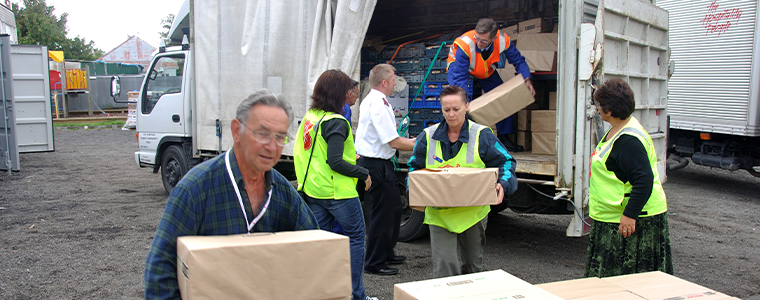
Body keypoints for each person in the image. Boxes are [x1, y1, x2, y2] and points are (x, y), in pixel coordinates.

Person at [144, 90, 319, 299]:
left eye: (280, 137)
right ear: (236, 131)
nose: (272, 147)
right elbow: (160, 274)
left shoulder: (283, 192)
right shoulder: (194, 190)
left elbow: (314, 247)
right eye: (262, 133)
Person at [408, 86, 518, 278]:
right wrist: (414, 189)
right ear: (441, 109)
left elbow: (506, 162)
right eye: (446, 110)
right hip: (439, 214)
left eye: (456, 109)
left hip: (472, 214)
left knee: (473, 269)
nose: (451, 115)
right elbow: (414, 168)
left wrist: (503, 183)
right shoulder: (427, 137)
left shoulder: (481, 135)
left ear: (467, 106)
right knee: (445, 268)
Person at [294, 70, 375, 300]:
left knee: (321, 245)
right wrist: (363, 173)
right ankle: (355, 295)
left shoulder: (312, 117)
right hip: (338, 193)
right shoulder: (337, 122)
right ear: (339, 93)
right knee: (356, 238)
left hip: (314, 190)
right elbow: (336, 161)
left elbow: (313, 154)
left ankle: (322, 292)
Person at [584, 78, 673, 278]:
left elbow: (644, 180)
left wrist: (630, 215)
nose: (597, 108)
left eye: (599, 105)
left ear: (609, 111)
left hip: (632, 219)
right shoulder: (619, 130)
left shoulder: (628, 141)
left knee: (628, 281)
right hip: (611, 215)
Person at [355, 63, 416, 276]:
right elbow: (393, 142)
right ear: (384, 82)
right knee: (381, 215)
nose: (395, 82)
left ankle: (386, 252)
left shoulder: (378, 100)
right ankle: (374, 262)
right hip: (375, 165)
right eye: (393, 79)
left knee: (394, 210)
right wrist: (421, 143)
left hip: (382, 164)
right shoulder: (377, 104)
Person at [447, 18, 536, 149]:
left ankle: (504, 138)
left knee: (503, 97)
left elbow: (518, 60)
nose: (478, 43)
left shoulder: (502, 40)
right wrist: (463, 101)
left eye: (483, 41)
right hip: (459, 66)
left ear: (493, 38)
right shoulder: (465, 44)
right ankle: (457, 140)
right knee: (457, 101)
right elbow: (460, 77)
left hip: (483, 68)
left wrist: (527, 78)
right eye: (477, 38)